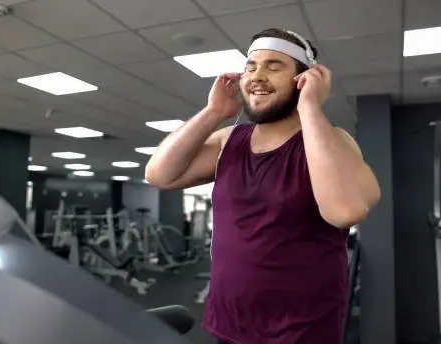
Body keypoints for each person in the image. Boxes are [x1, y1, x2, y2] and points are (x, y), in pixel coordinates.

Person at [145, 28, 380, 344]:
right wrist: (215, 112)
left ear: (303, 79)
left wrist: (309, 107)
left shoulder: (332, 141)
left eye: (274, 66)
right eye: (251, 66)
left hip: (300, 330)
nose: (257, 76)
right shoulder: (230, 140)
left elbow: (345, 211)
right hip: (229, 321)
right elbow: (159, 174)